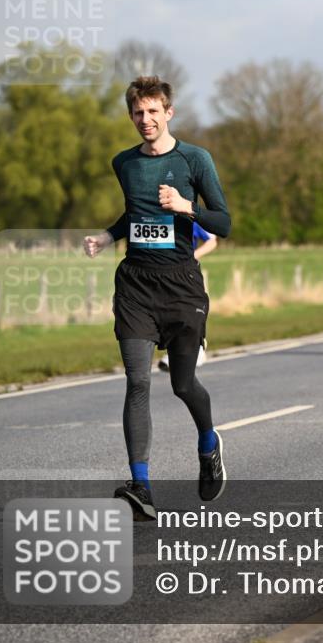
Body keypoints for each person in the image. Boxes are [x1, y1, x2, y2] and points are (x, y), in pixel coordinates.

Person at [82, 76, 231, 520]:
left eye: (153, 112)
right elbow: (135, 213)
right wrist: (109, 236)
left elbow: (222, 222)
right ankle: (141, 486)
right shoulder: (124, 163)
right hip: (136, 286)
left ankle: (208, 443)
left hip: (182, 286)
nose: (145, 120)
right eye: (137, 113)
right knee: (138, 382)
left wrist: (187, 207)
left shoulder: (194, 159)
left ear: (169, 113)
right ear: (131, 116)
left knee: (183, 384)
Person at [158, 222, 217, 372]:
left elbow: (212, 241)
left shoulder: (190, 217)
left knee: (189, 312)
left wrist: (192, 256)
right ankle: (173, 353)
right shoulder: (156, 216)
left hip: (187, 274)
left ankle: (198, 350)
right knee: (167, 312)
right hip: (161, 273)